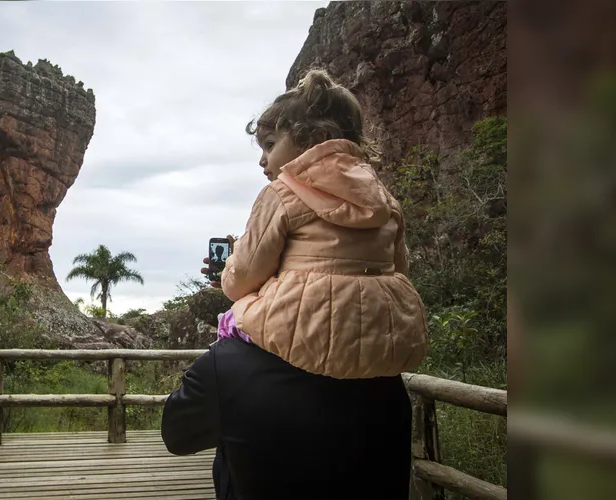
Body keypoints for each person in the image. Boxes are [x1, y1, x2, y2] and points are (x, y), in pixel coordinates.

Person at [162, 69, 428, 500]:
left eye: (269, 145)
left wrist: (235, 269)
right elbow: (396, 270)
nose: (263, 160)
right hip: (373, 333)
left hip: (293, 324)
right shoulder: (384, 200)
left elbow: (242, 278)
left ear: (306, 140)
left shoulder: (282, 194)